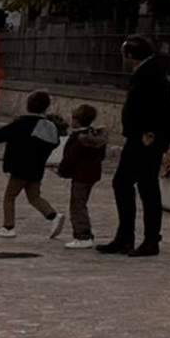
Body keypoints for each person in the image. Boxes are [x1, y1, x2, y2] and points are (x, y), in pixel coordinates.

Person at [99, 35, 170, 258]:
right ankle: (126, 236)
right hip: (139, 137)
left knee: (145, 187)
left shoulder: (151, 75)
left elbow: (158, 107)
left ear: (130, 55)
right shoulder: (147, 72)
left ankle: (148, 239)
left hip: (145, 140)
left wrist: (151, 133)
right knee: (125, 183)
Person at [0, 90, 63, 238]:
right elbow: (55, 143)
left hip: (19, 167)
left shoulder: (21, 123)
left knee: (10, 196)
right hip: (37, 168)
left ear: (28, 105)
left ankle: (8, 227)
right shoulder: (49, 126)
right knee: (34, 197)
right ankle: (53, 215)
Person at [55, 103, 108, 248]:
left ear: (77, 119)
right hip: (92, 173)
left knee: (77, 205)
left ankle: (82, 235)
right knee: (81, 202)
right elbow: (101, 156)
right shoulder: (96, 136)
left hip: (80, 174)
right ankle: (83, 234)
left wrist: (62, 171)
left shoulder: (78, 138)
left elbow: (70, 157)